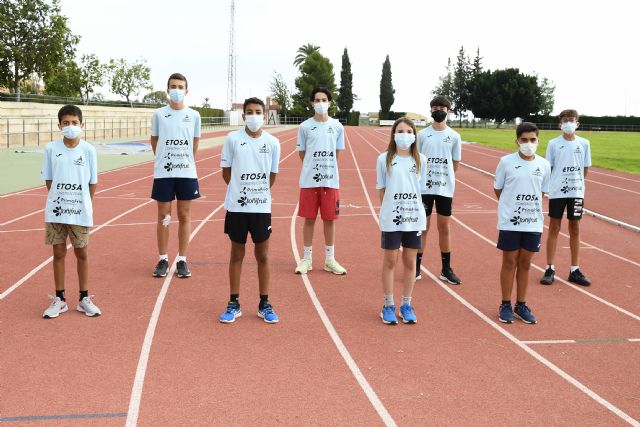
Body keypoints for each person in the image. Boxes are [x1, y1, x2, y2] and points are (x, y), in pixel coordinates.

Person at [218, 98, 281, 324]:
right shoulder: (232, 139)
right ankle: (234, 302)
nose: (253, 116)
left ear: (264, 115)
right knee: (237, 254)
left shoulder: (273, 143)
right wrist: (240, 190)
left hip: (261, 207)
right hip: (237, 207)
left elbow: (271, 176)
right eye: (249, 112)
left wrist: (256, 191)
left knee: (263, 255)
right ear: (243, 115)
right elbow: (227, 173)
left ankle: (264, 303)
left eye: (257, 112)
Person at [41, 105, 101, 318]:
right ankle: (60, 299)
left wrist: (83, 202)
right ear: (59, 125)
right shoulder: (51, 149)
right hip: (57, 210)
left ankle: (84, 298)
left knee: (81, 253)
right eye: (66, 123)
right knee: (58, 253)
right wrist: (61, 198)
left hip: (80, 210)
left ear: (82, 125)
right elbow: (49, 180)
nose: (70, 126)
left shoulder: (88, 150)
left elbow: (92, 182)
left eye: (74, 123)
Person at [494, 122, 551, 324]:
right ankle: (505, 303)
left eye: (532, 140)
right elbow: (498, 189)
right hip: (510, 222)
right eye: (524, 140)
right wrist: (510, 206)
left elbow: (542, 192)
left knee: (525, 263)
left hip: (533, 222)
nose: (528, 143)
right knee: (509, 262)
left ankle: (521, 304)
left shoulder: (544, 165)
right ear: (517, 141)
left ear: (538, 140)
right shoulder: (506, 162)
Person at [150, 73, 201, 278]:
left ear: (186, 91)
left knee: (184, 215)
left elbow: (195, 143)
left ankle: (182, 260)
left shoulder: (194, 115)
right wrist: (164, 158)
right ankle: (163, 258)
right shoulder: (159, 115)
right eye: (173, 86)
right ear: (167, 89)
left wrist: (185, 159)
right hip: (164, 172)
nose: (177, 90)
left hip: (186, 172)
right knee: (164, 216)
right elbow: (155, 141)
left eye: (180, 86)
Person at [376, 118, 427, 325]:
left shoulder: (421, 159)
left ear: (414, 135)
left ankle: (406, 305)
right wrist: (389, 209)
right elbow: (381, 189)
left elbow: (420, 189)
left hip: (413, 218)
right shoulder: (384, 159)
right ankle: (388, 305)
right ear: (393, 134)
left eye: (408, 131)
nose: (404, 135)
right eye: (400, 131)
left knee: (410, 262)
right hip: (392, 219)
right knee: (390, 261)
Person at [294, 86, 347, 275]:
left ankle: (329, 260)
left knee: (329, 220)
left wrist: (326, 169)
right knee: (309, 219)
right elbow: (302, 153)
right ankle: (307, 259)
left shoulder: (337, 126)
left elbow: (337, 153)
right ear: (311, 103)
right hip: (309, 182)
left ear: (330, 102)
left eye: (324, 100)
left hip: (331, 181)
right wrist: (312, 167)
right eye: (317, 100)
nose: (320, 103)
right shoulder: (305, 126)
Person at [540, 109, 592, 286]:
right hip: (558, 192)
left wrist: (577, 182)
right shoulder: (553, 144)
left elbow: (585, 168)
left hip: (576, 192)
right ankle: (550, 268)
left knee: (575, 227)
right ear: (560, 124)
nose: (568, 123)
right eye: (565, 120)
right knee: (554, 226)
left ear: (577, 123)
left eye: (572, 120)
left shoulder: (584, 143)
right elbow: (549, 167)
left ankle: (574, 269)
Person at [416, 96, 462, 285]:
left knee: (444, 227)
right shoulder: (421, 135)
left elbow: (455, 164)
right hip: (424, 188)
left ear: (448, 110)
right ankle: (416, 267)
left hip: (444, 188)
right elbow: (416, 160)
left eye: (442, 107)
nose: (438, 110)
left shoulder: (454, 136)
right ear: (431, 110)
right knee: (423, 228)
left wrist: (444, 177)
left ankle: (446, 269)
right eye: (435, 107)